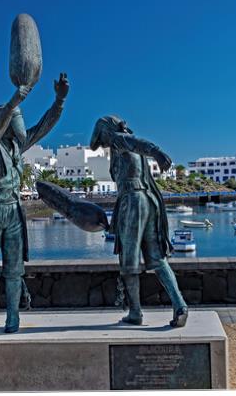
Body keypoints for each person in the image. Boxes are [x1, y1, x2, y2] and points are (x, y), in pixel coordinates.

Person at [0, 72, 69, 333]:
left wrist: (59, 100)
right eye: (14, 119)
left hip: (13, 209)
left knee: (14, 269)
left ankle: (13, 315)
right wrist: (17, 98)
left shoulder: (17, 147)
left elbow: (43, 127)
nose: (20, 126)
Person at [88, 115, 188, 327]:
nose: (104, 144)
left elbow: (138, 143)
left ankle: (135, 312)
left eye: (102, 138)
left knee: (129, 261)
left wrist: (157, 152)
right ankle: (180, 304)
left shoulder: (118, 139)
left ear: (106, 131)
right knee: (157, 259)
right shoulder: (125, 145)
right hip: (148, 201)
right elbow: (137, 145)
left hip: (132, 202)